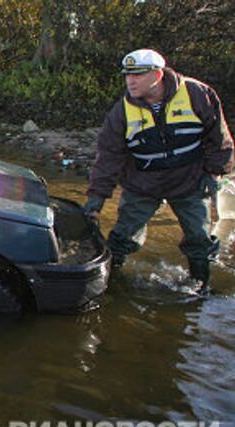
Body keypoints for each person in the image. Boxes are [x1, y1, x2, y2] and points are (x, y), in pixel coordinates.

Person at [84, 48, 234, 293]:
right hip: (143, 184)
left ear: (157, 74)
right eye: (127, 75)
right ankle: (107, 285)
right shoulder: (120, 112)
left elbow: (219, 137)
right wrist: (96, 199)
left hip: (189, 182)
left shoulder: (196, 93)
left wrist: (215, 173)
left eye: (138, 75)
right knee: (122, 238)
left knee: (199, 238)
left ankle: (201, 287)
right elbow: (108, 158)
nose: (130, 81)